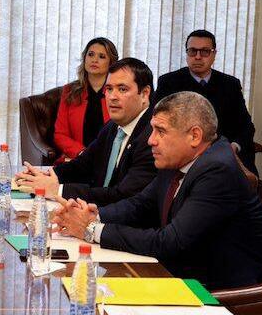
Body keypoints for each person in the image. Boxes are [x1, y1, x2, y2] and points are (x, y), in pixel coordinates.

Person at [51, 92, 262, 290]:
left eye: (161, 131)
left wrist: (92, 230)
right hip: (190, 272)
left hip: (238, 291)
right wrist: (94, 215)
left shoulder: (217, 170)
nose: (151, 140)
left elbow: (170, 242)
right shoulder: (178, 159)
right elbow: (140, 205)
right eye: (152, 130)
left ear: (194, 136)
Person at [16, 58, 157, 206]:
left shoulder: (152, 137)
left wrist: (58, 190)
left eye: (122, 89)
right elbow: (83, 165)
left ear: (145, 94)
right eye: (109, 89)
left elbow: (122, 195)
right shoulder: (112, 126)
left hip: (118, 217)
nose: (112, 97)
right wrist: (46, 176)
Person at [155, 29, 257, 174]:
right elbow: (158, 122)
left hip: (223, 155)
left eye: (204, 52)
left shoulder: (230, 84)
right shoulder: (169, 82)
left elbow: (246, 126)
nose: (198, 57)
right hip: (182, 155)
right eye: (192, 51)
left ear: (214, 54)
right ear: (187, 54)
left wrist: (234, 146)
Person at [53, 37, 119, 162]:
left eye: (101, 56)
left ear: (111, 63)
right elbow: (60, 134)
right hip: (76, 159)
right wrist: (83, 153)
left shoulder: (118, 93)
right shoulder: (69, 91)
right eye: (91, 54)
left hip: (109, 160)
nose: (94, 60)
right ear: (84, 58)